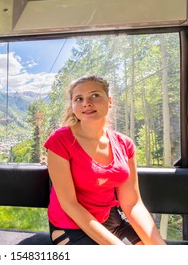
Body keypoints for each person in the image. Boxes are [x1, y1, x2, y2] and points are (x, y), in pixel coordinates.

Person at [44, 75, 166, 245]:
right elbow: (70, 204)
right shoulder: (61, 140)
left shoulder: (124, 144)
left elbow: (132, 203)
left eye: (95, 95)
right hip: (72, 226)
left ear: (109, 101)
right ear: (73, 106)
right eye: (79, 98)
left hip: (112, 221)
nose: (86, 102)